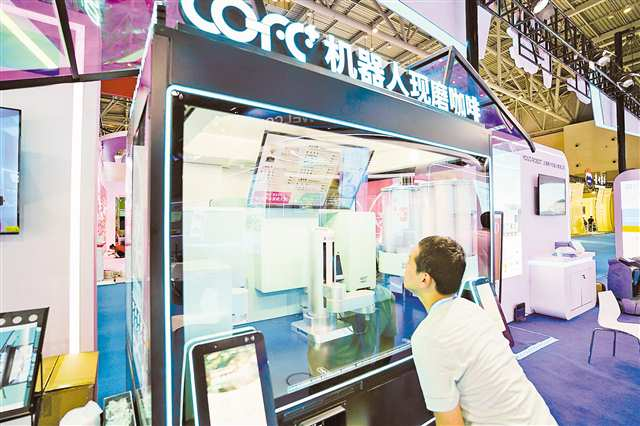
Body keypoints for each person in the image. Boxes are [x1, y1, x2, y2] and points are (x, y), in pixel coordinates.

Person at [404, 236, 556, 426]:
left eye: (409, 260)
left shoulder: (429, 338)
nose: (405, 265)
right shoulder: (472, 310)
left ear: (424, 278)